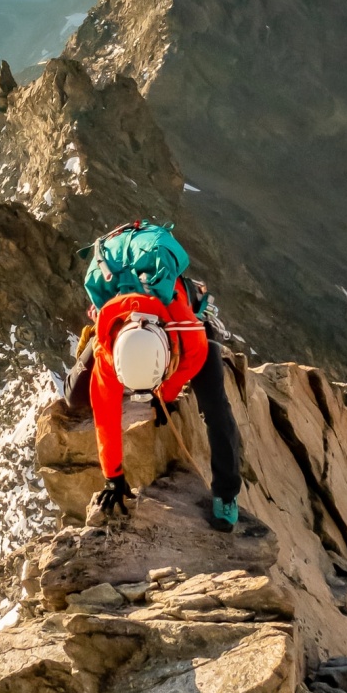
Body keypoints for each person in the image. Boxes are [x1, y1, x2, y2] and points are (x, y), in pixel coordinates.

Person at [62, 225, 243, 532]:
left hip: (178, 314)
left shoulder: (190, 335)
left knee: (216, 408)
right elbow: (105, 414)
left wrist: (166, 395)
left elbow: (186, 369)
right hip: (120, 314)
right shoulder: (108, 349)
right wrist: (113, 476)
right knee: (75, 397)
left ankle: (226, 494)